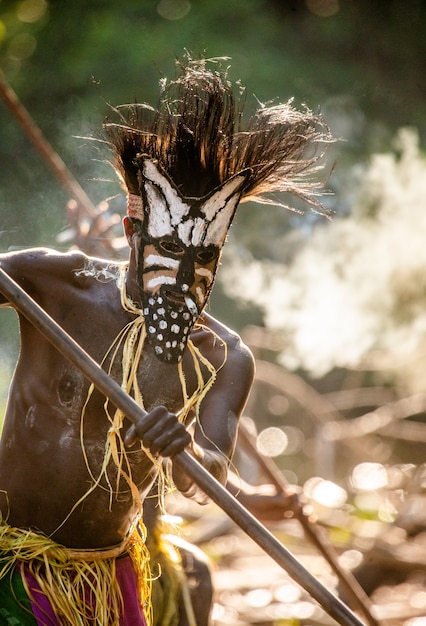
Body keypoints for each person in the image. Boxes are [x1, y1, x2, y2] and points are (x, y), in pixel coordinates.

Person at [0, 57, 331, 625]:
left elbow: (205, 475)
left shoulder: (223, 357)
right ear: (133, 232)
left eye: (203, 258)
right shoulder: (56, 284)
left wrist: (184, 448)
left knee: (194, 576)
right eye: (172, 253)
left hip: (109, 574)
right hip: (10, 563)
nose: (185, 278)